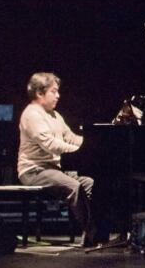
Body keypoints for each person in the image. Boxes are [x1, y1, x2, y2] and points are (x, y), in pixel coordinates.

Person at [17, 72, 97, 246]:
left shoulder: (55, 115)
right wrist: (80, 150)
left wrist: (92, 144)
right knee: (74, 186)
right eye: (54, 91)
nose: (58, 95)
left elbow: (70, 137)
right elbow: (50, 145)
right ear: (40, 93)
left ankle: (92, 229)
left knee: (89, 183)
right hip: (34, 171)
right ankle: (91, 232)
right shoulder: (32, 115)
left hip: (53, 170)